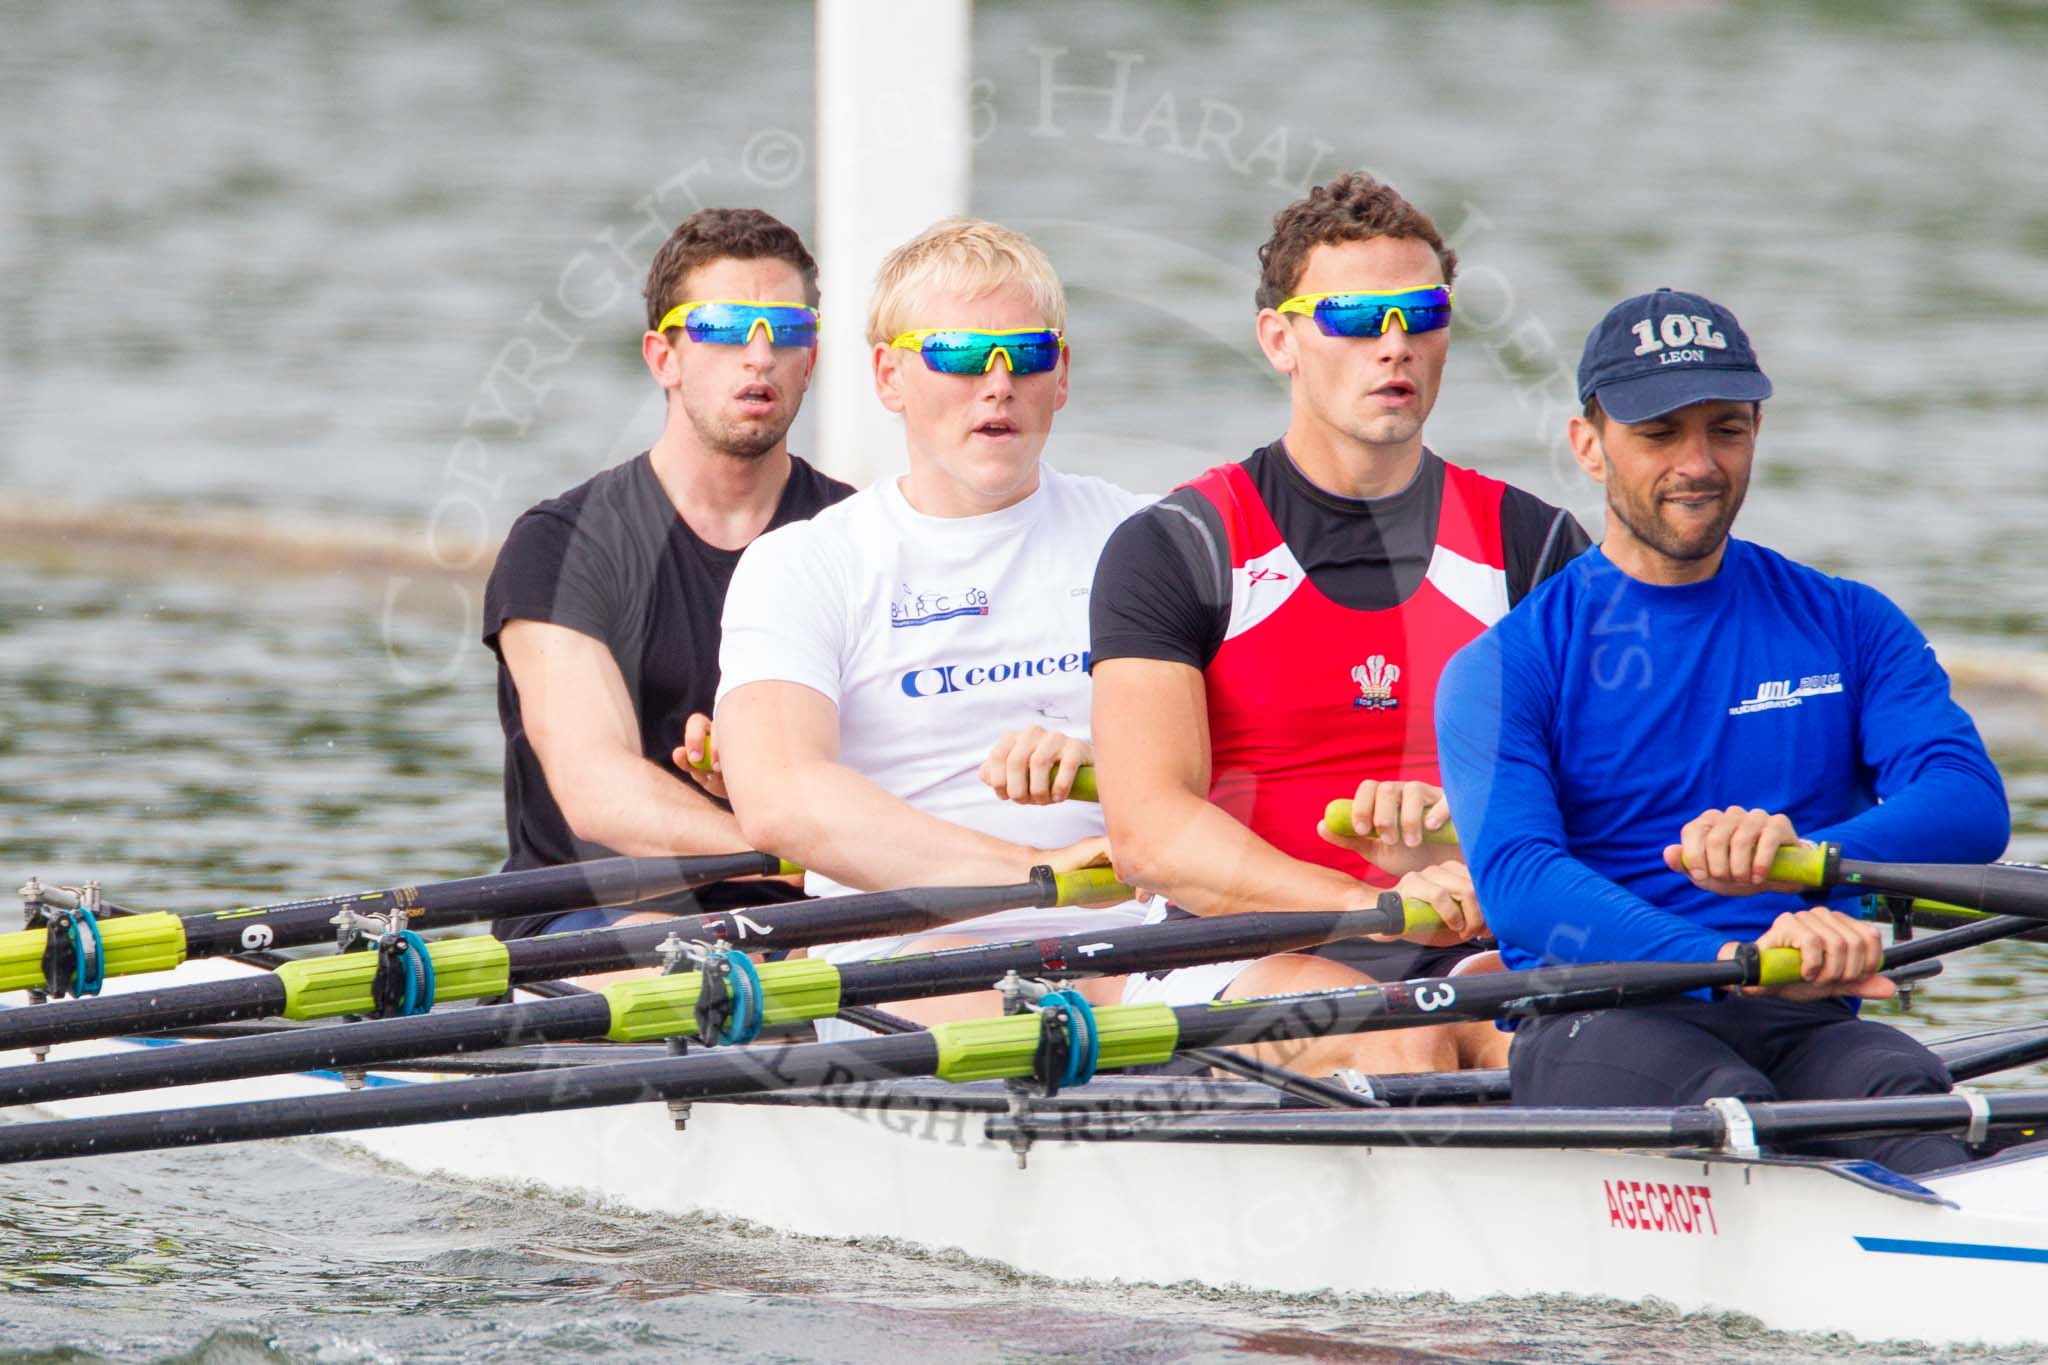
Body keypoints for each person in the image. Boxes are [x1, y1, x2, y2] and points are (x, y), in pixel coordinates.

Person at [1435, 287, 2009, 1171]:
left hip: (1805, 1012)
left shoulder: (1850, 621)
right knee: (1742, 1124)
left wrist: (1809, 859)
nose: (1699, 462)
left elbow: (1968, 803)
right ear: (1587, 445)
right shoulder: (1505, 667)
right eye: (1660, 433)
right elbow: (1520, 882)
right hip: (1603, 1018)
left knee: (1917, 1110)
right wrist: (1737, 953)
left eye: (1727, 429)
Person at [1084, 173, 1588, 1074]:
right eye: (1356, 317)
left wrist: (1458, 846)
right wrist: (1372, 902)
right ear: (1280, 338)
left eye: (1422, 313)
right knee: (1403, 1041)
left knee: (1561, 1042)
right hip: (1229, 948)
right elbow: (1151, 834)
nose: (1394, 345)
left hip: (1464, 933)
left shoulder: (1532, 543)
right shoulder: (1177, 546)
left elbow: (1603, 792)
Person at [714, 217, 1150, 1029]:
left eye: (1026, 355)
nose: (998, 384)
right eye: (956, 354)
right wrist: (1036, 872)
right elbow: (781, 798)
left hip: (1141, 945)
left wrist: (1122, 760)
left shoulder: (1150, 540)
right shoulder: (805, 563)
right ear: (890, 376)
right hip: (905, 960)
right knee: (1037, 1014)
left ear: (1061, 376)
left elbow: (1248, 757)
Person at [482, 208, 850, 941]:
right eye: (722, 327)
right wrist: (805, 855)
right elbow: (598, 792)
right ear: (663, 356)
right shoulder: (563, 546)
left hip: (818, 920)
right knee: (664, 934)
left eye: (786, 330)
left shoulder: (858, 538)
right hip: (596, 918)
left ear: (810, 359)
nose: (759, 356)